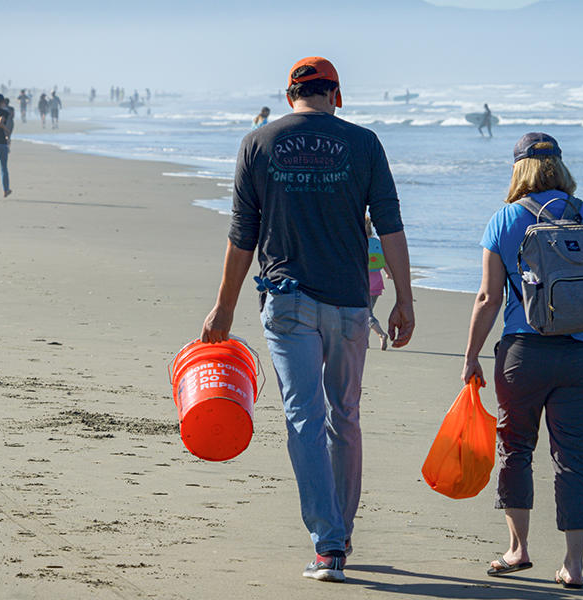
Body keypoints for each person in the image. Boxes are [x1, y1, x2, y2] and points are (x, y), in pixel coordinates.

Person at [200, 56, 415, 584]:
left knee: (304, 418)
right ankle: (339, 533)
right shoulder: (364, 143)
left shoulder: (258, 143)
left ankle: (329, 541)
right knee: (345, 415)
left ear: (289, 92)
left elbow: (241, 236)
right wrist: (404, 299)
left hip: (288, 301)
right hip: (348, 305)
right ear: (336, 95)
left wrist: (224, 308)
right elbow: (390, 226)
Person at [461, 132, 583, 590]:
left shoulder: (506, 219)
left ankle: (517, 549)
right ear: (560, 166)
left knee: (516, 447)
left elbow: (489, 297)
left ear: (518, 169)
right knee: (574, 456)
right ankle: (574, 565)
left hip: (523, 353)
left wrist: (470, 355)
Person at [366, 216, 392, 350]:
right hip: (377, 284)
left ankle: (381, 334)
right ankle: (366, 341)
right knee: (369, 312)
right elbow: (384, 261)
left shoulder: (359, 242)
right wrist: (389, 273)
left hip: (364, 284)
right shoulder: (376, 242)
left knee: (366, 314)